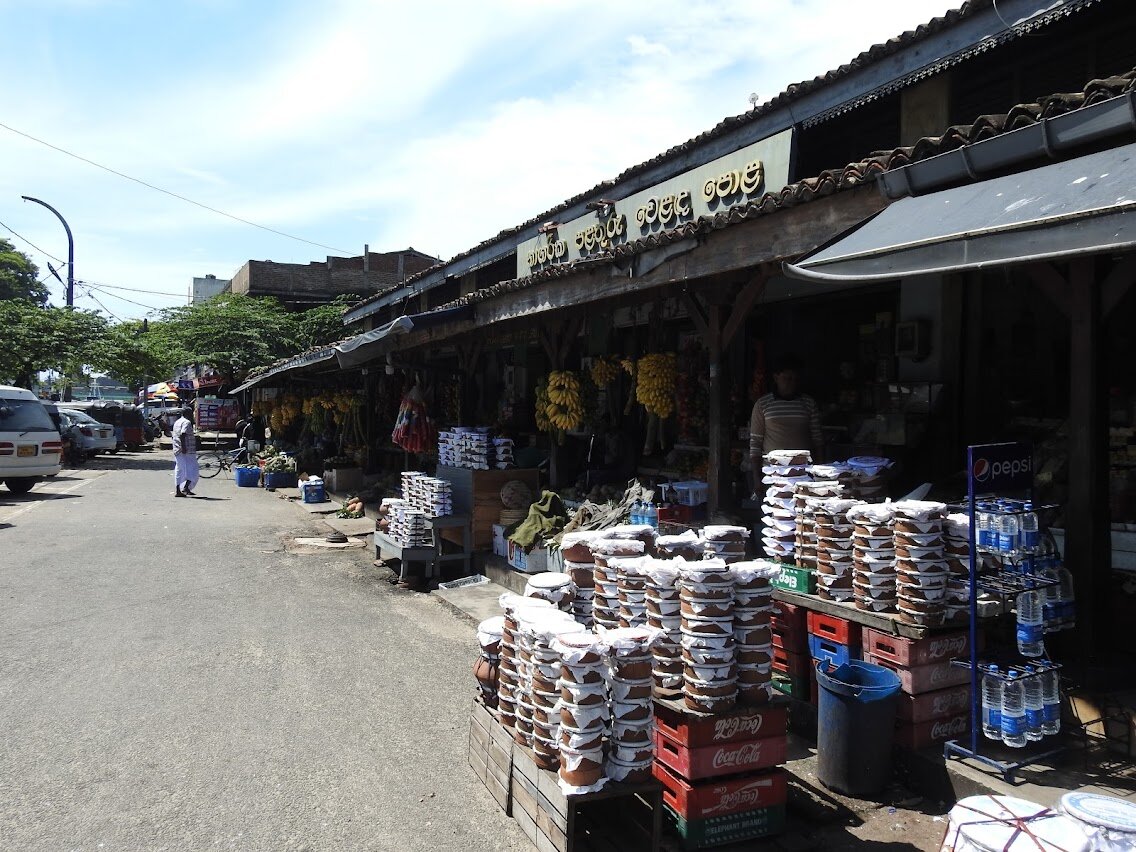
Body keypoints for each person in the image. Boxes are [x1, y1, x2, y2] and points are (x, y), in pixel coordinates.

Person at [749, 353, 824, 473]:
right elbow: (755, 444)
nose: (792, 383)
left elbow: (817, 440)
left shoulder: (808, 403)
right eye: (787, 378)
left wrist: (820, 471)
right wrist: (757, 478)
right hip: (773, 472)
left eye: (795, 379)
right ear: (776, 378)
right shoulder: (762, 404)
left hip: (803, 471)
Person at [171, 404, 200, 497]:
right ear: (188, 414)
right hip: (186, 451)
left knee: (180, 470)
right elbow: (183, 434)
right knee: (193, 470)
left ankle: (183, 488)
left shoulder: (177, 422)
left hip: (177, 449)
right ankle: (183, 488)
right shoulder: (187, 422)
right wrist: (183, 447)